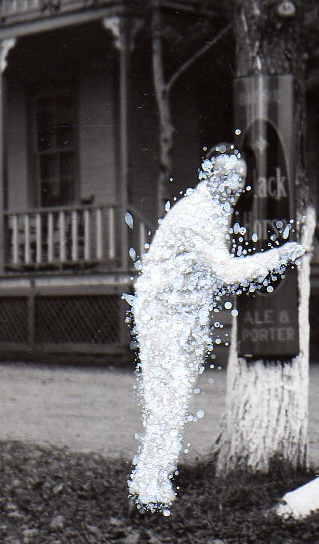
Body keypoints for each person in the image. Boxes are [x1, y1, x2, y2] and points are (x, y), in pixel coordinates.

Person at [128, 145, 305, 510]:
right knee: (168, 402)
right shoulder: (198, 213)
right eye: (227, 176)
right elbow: (225, 272)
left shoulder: (215, 209)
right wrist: (278, 256)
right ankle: (148, 492)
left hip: (184, 312)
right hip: (163, 313)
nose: (236, 184)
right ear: (209, 175)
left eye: (240, 177)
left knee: (174, 400)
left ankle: (154, 485)